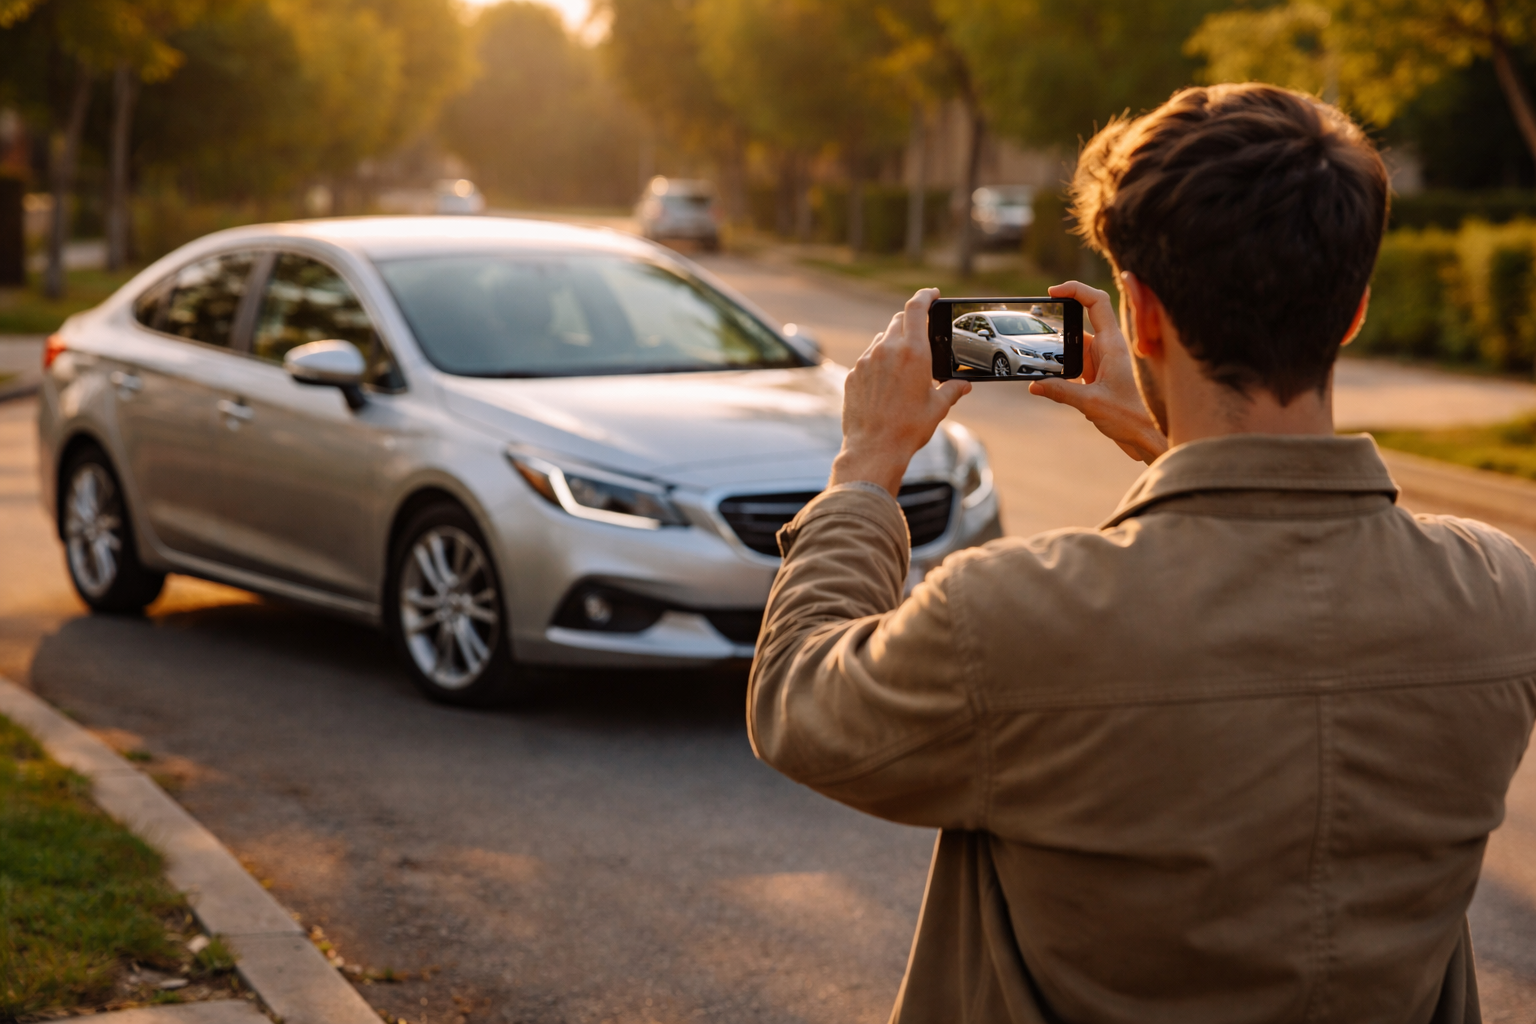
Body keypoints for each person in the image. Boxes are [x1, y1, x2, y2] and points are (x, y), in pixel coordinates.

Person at [747, 83, 1536, 1024]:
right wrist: (1174, 442)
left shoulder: (1010, 618)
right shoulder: (1499, 596)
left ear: (1142, 314)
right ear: (1354, 309)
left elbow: (798, 702)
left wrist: (867, 467)